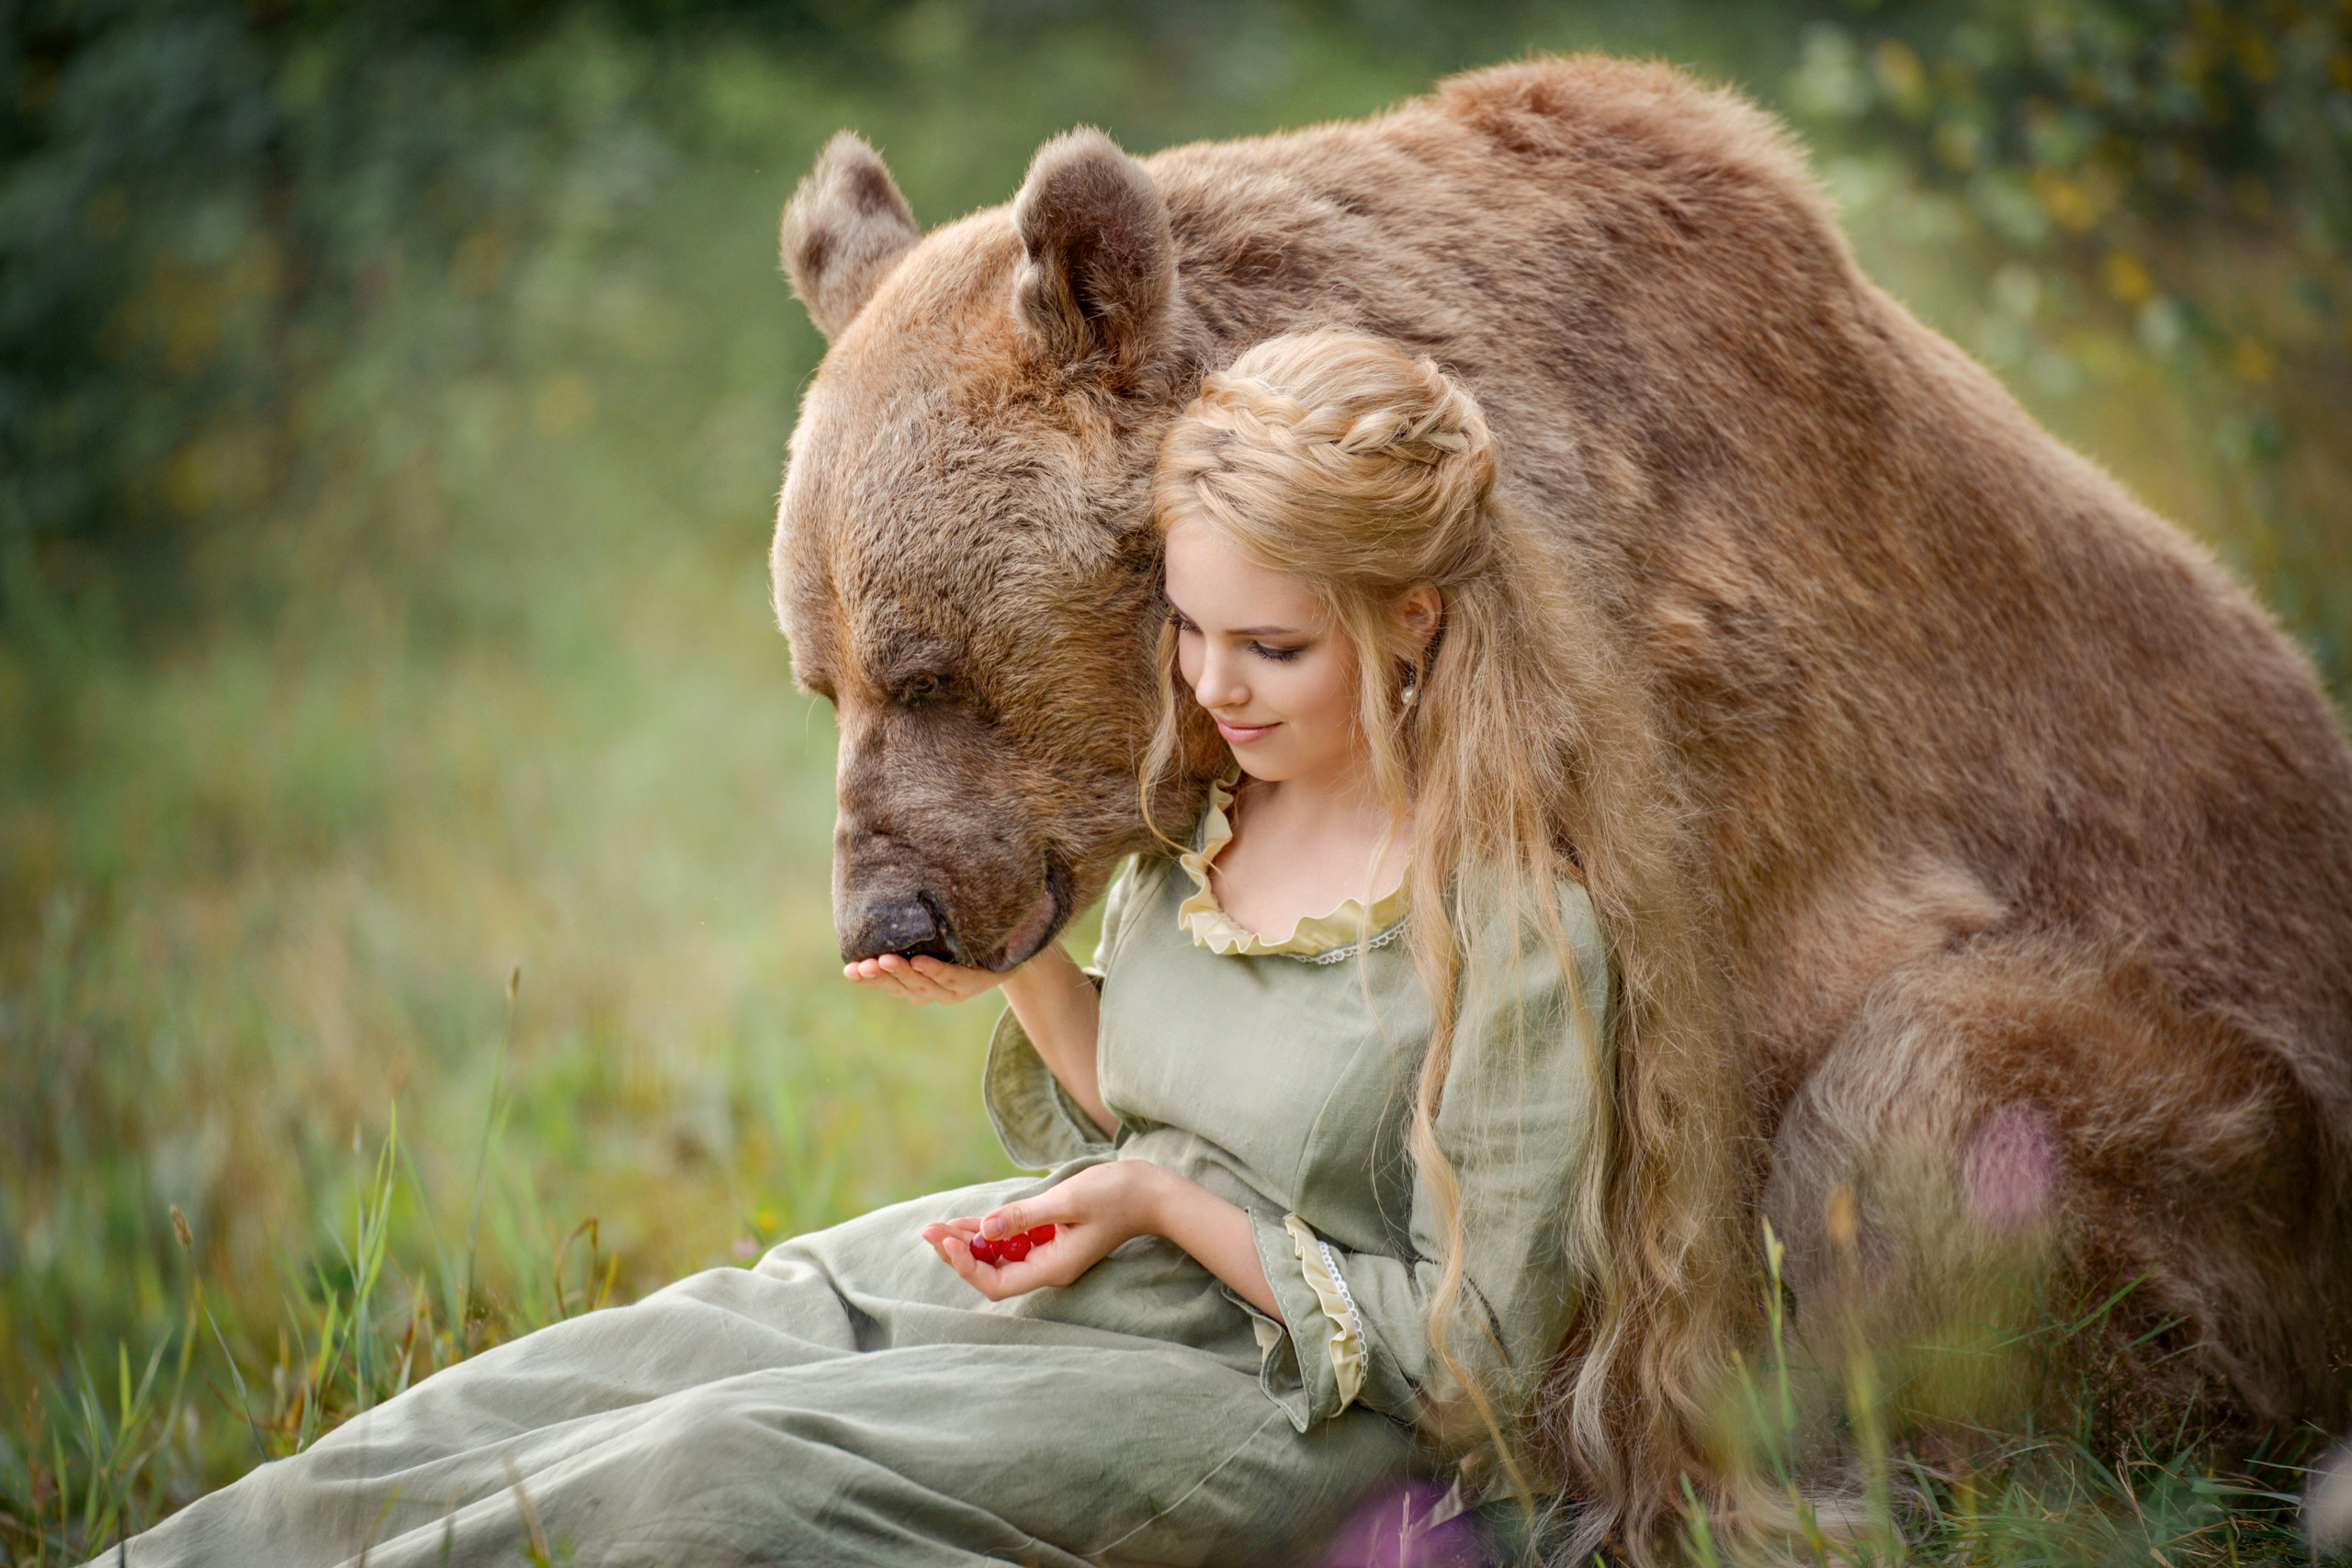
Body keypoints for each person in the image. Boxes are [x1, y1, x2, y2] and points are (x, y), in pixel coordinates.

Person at [104, 329, 1739, 1568]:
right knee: (669, 1343)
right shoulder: (1199, 818)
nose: (1217, 684)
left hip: (1289, 1408)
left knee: (721, 1470)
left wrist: (1165, 1202)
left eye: (1275, 647)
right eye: (1187, 626)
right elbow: (1156, 1098)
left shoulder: (1514, 928)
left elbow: (1484, 1366)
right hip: (1103, 1267)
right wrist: (1028, 969)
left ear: (1418, 623)